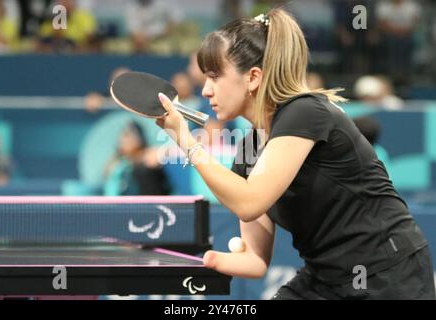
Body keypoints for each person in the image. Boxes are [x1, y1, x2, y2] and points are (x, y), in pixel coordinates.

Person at [155, 8, 435, 299]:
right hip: (324, 278)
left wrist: (184, 139)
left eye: (214, 77)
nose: (207, 90)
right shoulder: (250, 151)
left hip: (387, 275)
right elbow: (254, 260)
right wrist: (204, 260)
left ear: (252, 77)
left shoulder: (304, 112)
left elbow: (250, 202)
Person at [103, 121, 171, 196]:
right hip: (113, 205)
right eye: (123, 135)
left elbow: (166, 152)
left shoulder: (148, 157)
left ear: (139, 138)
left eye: (127, 135)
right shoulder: (116, 162)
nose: (123, 139)